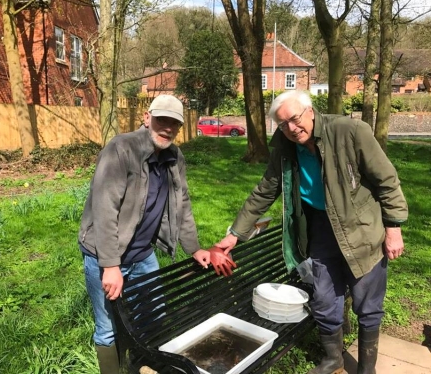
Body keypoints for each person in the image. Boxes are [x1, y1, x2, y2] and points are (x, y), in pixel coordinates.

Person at [215, 90, 408, 374]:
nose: (292, 129)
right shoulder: (284, 147)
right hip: (319, 230)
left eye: (294, 119)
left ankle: (367, 368)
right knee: (325, 298)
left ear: (310, 111)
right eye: (283, 124)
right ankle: (334, 358)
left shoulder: (351, 131)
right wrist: (234, 234)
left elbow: (387, 180)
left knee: (367, 304)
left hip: (361, 231)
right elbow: (264, 191)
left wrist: (393, 229)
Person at [78, 94, 211, 374]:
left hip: (143, 255)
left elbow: (182, 205)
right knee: (108, 328)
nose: (167, 128)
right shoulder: (121, 149)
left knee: (154, 316)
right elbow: (104, 208)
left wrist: (195, 248)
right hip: (104, 254)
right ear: (147, 117)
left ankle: (141, 367)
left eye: (174, 123)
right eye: (162, 119)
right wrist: (111, 265)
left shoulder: (174, 157)